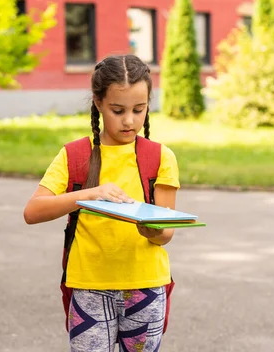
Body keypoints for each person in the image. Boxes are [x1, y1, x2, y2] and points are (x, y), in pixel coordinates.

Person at [23, 54, 180, 351]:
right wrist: (87, 196)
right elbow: (32, 211)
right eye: (118, 110)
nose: (130, 120)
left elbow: (166, 233)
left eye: (139, 109)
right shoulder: (74, 155)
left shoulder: (161, 157)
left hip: (145, 286)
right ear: (97, 102)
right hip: (89, 287)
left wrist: (153, 231)